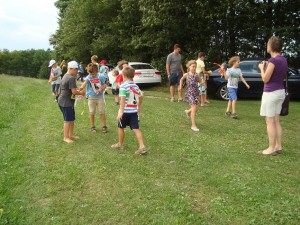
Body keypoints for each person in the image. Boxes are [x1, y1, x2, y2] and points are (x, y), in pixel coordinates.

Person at [258, 36, 287, 156]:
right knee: (276, 120)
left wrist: (261, 68)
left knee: (269, 121)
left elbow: (265, 79)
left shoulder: (273, 61)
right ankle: (278, 145)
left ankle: (271, 148)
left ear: (271, 46)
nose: (267, 46)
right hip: (280, 92)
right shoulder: (283, 59)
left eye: (268, 44)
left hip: (271, 93)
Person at [111, 66, 147, 155]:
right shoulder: (135, 86)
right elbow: (141, 96)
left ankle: (120, 144)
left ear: (123, 75)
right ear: (133, 76)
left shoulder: (123, 86)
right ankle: (142, 146)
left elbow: (122, 98)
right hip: (134, 112)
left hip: (125, 112)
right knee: (136, 128)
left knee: (120, 127)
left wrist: (121, 111)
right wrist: (139, 106)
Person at [57, 61, 85, 143]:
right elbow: (73, 92)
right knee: (67, 120)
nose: (77, 72)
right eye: (76, 70)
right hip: (66, 102)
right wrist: (81, 93)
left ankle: (71, 134)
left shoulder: (65, 75)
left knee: (71, 119)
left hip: (65, 101)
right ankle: (66, 137)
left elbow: (70, 90)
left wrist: (77, 92)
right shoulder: (71, 78)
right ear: (72, 69)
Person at [79, 63, 108, 133]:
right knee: (91, 112)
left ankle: (104, 126)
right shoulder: (89, 77)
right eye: (90, 73)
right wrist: (81, 87)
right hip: (91, 97)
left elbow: (104, 85)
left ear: (97, 71)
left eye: (93, 74)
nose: (92, 75)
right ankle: (92, 126)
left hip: (99, 97)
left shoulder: (101, 76)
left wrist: (101, 89)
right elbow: (84, 83)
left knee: (102, 111)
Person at [179, 60, 201, 132]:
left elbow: (201, 82)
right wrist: (180, 86)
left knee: (196, 108)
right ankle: (193, 125)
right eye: (193, 66)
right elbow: (181, 79)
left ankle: (188, 112)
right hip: (190, 93)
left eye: (195, 67)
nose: (194, 68)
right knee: (194, 108)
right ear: (189, 67)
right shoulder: (186, 75)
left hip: (196, 93)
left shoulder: (197, 75)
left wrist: (203, 83)